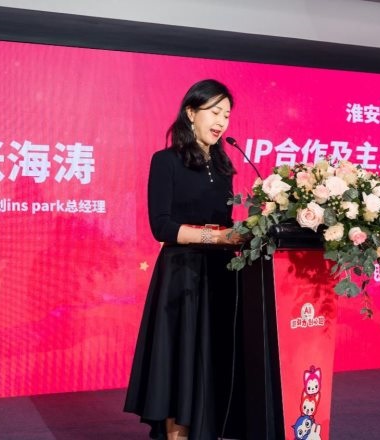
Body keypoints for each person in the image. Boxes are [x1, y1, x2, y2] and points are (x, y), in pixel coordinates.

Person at [124, 79, 245, 440]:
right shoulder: (166, 161)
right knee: (181, 363)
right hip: (183, 275)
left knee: (211, 362)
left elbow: (225, 222)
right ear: (191, 113)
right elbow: (161, 226)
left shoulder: (223, 165)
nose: (221, 121)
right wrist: (216, 237)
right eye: (215, 111)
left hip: (222, 273)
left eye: (226, 114)